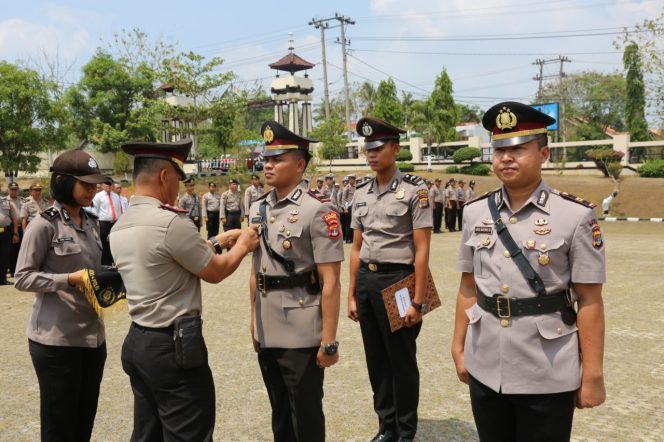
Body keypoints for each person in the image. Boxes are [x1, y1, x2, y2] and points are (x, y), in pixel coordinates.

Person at [451, 102, 606, 442]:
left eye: (518, 149)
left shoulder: (575, 216)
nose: (506, 158)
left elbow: (590, 300)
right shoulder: (475, 212)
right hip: (486, 363)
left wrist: (592, 374)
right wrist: (458, 346)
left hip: (547, 368)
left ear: (544, 153)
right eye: (499, 149)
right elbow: (467, 287)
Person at [109, 139, 259, 441]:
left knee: (148, 432)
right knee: (189, 432)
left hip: (139, 341)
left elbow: (165, 258)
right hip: (171, 346)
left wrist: (217, 242)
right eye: (178, 178)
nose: (179, 186)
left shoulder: (121, 224)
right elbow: (215, 272)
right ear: (165, 176)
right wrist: (242, 245)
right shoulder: (170, 222)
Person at [249, 121, 343, 442]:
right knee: (279, 414)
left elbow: (331, 281)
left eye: (278, 159)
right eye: (267, 159)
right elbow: (255, 271)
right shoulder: (257, 208)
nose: (268, 165)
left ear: (300, 165)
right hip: (267, 325)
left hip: (303, 331)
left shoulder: (318, 210)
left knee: (305, 415)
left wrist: (329, 340)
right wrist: (253, 320)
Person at [348, 116, 433, 442]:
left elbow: (422, 249)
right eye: (367, 149)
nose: (371, 154)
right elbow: (356, 248)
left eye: (378, 147)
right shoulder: (360, 193)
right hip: (368, 282)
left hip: (399, 280)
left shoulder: (415, 191)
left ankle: (405, 431)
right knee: (377, 360)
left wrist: (418, 300)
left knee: (401, 360)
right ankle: (386, 427)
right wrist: (352, 294)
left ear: (395, 149)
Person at [14, 149, 109, 441]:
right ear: (63, 181)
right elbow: (23, 277)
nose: (93, 189)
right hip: (57, 343)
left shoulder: (92, 222)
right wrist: (68, 279)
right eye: (87, 184)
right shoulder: (44, 224)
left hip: (92, 338)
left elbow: (94, 269)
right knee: (59, 425)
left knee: (84, 420)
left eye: (96, 184)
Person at [91, 180, 122, 266]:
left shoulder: (116, 196)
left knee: (115, 243)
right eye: (106, 184)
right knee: (104, 244)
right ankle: (105, 264)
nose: (108, 186)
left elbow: (118, 210)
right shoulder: (98, 197)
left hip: (115, 223)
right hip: (104, 224)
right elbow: (94, 211)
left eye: (110, 184)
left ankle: (115, 262)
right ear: (102, 185)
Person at [0, 183, 19, 284]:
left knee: (4, 255)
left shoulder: (6, 202)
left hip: (5, 231)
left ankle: (2, 279)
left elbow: (15, 219)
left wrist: (15, 234)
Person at [8, 181, 23, 277]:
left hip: (22, 227)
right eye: (12, 189)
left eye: (16, 189)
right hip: (11, 228)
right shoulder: (5, 201)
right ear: (8, 190)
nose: (14, 191)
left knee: (21, 250)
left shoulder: (22, 200)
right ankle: (12, 270)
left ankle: (20, 270)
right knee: (11, 250)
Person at [341, 174, 357, 243]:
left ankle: (352, 238)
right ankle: (347, 238)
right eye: (351, 179)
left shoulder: (355, 187)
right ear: (349, 180)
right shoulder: (346, 188)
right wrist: (345, 208)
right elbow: (343, 198)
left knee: (354, 223)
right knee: (348, 223)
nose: (352, 180)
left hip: (354, 207)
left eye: (353, 179)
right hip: (348, 207)